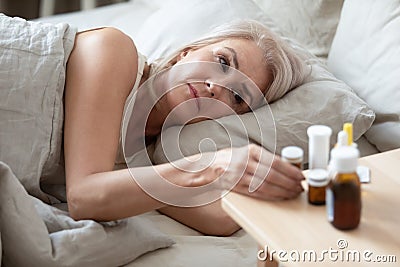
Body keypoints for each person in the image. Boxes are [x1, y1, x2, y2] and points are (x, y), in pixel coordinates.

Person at [5, 17, 308, 236]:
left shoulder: (144, 159)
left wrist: (296, 184)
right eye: (223, 62)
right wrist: (212, 166)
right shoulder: (114, 50)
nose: (216, 86)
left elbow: (221, 220)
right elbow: (84, 197)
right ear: (185, 53)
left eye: (238, 96)